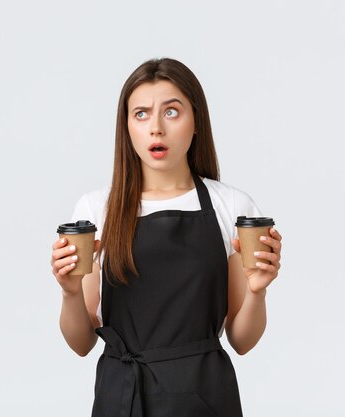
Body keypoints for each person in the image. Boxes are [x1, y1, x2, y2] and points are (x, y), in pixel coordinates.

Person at [50, 57, 283, 417]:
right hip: (122, 398)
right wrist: (68, 292)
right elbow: (81, 343)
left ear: (195, 124)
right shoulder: (97, 209)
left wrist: (257, 291)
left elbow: (242, 341)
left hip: (205, 400)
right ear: (126, 127)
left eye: (171, 112)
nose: (155, 128)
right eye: (140, 114)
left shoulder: (232, 206)